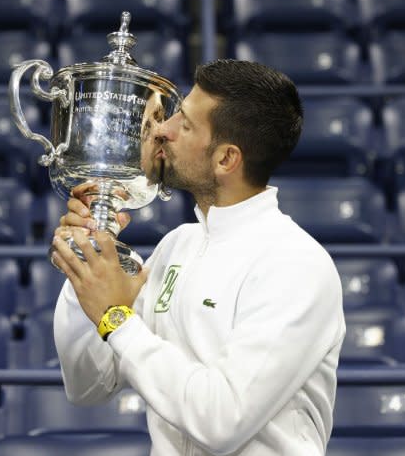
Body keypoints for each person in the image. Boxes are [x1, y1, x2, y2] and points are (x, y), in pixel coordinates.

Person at [51, 59, 346, 456]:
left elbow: (222, 421)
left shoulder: (296, 265)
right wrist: (84, 270)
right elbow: (87, 387)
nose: (162, 130)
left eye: (185, 124)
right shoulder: (178, 245)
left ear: (226, 159)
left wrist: (116, 319)